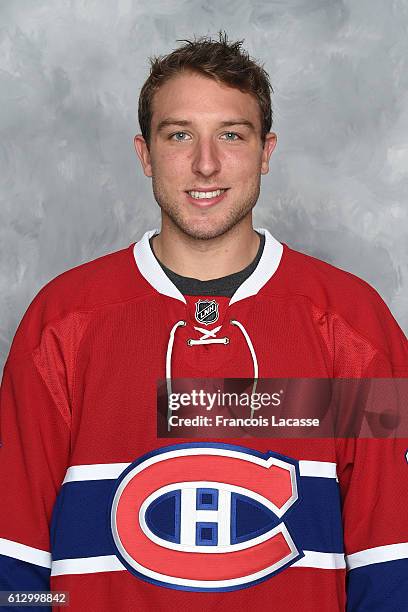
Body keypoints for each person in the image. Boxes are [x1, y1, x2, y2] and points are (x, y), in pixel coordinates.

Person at [0, 31, 407, 612]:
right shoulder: (64, 321)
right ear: (145, 153)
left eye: (232, 135)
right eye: (180, 134)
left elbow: (391, 563)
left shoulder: (352, 324)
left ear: (267, 151)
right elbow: (12, 565)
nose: (206, 163)